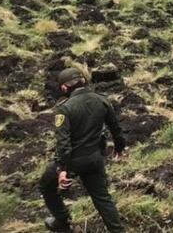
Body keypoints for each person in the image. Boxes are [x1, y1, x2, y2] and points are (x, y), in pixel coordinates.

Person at [39, 67, 127, 233]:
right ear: (84, 81)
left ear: (64, 88)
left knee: (45, 185)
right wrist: (119, 147)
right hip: (95, 158)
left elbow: (63, 143)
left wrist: (63, 170)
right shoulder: (102, 100)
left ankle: (62, 221)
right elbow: (116, 128)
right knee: (102, 199)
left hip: (73, 161)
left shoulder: (64, 108)